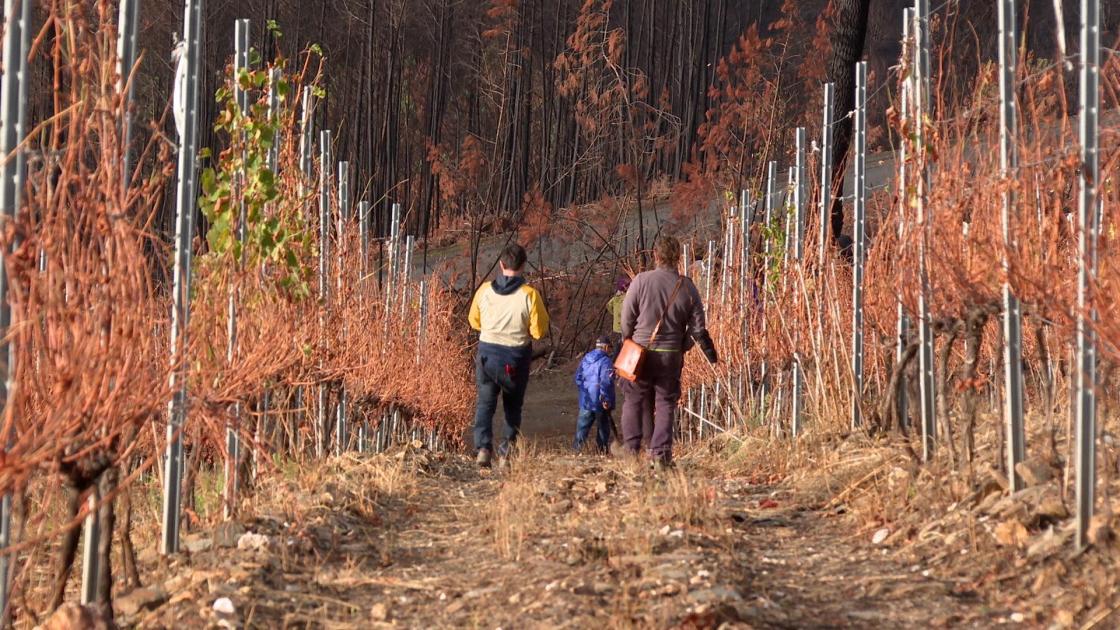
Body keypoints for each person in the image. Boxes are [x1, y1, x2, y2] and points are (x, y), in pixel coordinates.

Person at [620, 235, 718, 468]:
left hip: (640, 351)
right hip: (671, 354)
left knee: (634, 399)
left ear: (656, 255)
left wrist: (628, 340)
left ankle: (631, 451)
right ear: (678, 258)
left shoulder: (641, 281)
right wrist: (682, 346)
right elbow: (698, 327)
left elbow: (626, 318)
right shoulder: (687, 286)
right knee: (665, 402)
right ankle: (660, 453)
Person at [468, 244, 550, 468]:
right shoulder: (530, 295)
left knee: (485, 404)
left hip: (486, 355)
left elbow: (474, 321)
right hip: (514, 359)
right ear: (523, 266)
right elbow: (539, 331)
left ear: (501, 265)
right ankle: (506, 452)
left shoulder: (484, 290)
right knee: (513, 408)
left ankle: (483, 449)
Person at [573, 335, 616, 454]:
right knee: (603, 429)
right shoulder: (606, 361)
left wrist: (585, 391)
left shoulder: (586, 358)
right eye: (610, 348)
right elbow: (606, 382)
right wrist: (606, 399)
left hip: (586, 400)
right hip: (601, 402)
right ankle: (601, 452)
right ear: (606, 347)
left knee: (582, 429)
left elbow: (577, 378)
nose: (610, 350)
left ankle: (576, 452)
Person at [606, 276, 629, 356]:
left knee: (618, 344)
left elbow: (608, 305)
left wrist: (614, 314)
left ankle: (615, 359)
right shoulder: (627, 297)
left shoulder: (615, 297)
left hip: (617, 326)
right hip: (624, 325)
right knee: (623, 344)